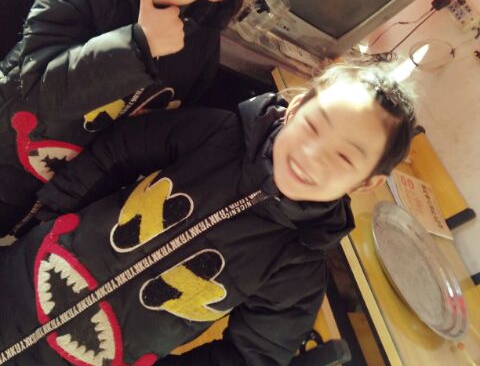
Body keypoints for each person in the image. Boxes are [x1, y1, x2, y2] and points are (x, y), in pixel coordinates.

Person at [0, 63, 417, 365]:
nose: (312, 155)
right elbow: (122, 149)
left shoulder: (298, 269)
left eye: (344, 157)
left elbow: (251, 357)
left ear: (367, 182)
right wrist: (52, 209)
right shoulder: (219, 133)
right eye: (314, 126)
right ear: (297, 107)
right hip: (18, 275)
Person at [0, 0, 261, 236]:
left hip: (58, 202)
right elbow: (38, 90)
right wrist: (137, 46)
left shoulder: (200, 47)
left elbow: (147, 138)